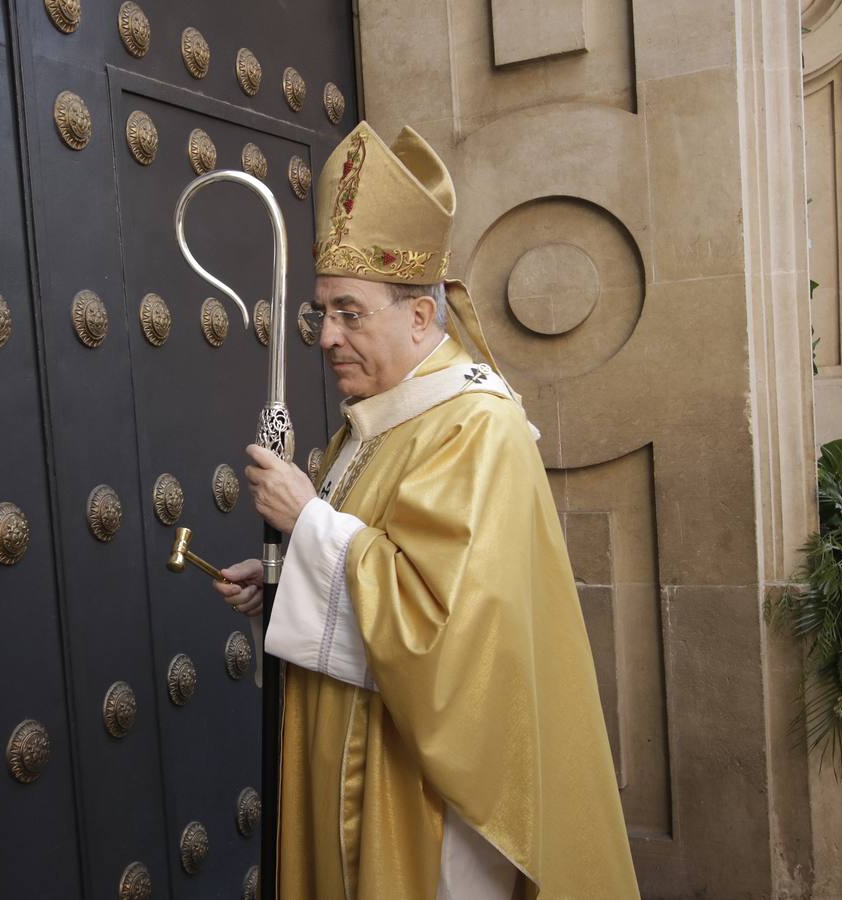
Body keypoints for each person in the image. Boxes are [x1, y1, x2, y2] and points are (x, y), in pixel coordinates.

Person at [213, 121, 640, 899]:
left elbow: (446, 635)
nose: (327, 337)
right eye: (321, 314)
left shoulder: (476, 427)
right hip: (352, 757)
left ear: (419, 316)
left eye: (350, 312)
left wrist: (308, 523)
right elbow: (373, 560)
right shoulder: (378, 417)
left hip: (417, 795)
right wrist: (281, 577)